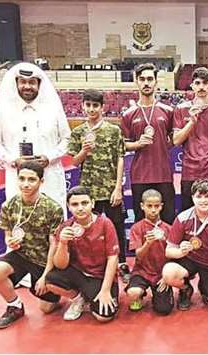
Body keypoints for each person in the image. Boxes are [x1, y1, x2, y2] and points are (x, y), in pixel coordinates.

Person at [0, 62, 71, 211]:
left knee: (54, 224)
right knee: (20, 224)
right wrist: (13, 160)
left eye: (32, 82)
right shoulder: (2, 110)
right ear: (16, 83)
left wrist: (49, 157)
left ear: (39, 84)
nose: (27, 86)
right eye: (23, 82)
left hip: (49, 176)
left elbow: (67, 139)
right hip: (18, 177)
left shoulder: (53, 108)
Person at [0, 161, 64, 329]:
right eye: (21, 179)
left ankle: (56, 289)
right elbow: (8, 233)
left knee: (46, 309)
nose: (26, 184)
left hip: (44, 260)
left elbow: (54, 244)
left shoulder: (53, 208)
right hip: (21, 255)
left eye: (31, 179)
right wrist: (11, 241)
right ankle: (15, 306)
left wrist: (46, 275)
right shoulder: (8, 205)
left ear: (41, 182)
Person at [68, 89, 130, 282]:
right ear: (83, 106)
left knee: (117, 228)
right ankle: (92, 267)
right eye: (88, 105)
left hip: (111, 190)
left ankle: (121, 264)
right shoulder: (78, 132)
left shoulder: (113, 130)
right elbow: (74, 162)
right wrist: (84, 151)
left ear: (103, 107)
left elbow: (120, 158)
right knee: (89, 230)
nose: (91, 109)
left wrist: (118, 187)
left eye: (95, 105)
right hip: (88, 193)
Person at [44, 186, 120, 322]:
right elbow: (60, 265)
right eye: (75, 204)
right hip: (79, 275)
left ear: (93, 203)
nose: (80, 208)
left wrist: (105, 290)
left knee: (104, 317)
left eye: (84, 203)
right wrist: (62, 243)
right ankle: (78, 299)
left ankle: (92, 297)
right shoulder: (65, 227)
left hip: (100, 278)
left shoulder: (105, 224)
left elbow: (113, 258)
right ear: (68, 206)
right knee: (50, 280)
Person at [162, 179, 208, 311]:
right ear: (193, 198)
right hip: (190, 259)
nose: (203, 200)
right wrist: (181, 252)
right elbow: (169, 251)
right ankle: (186, 289)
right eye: (199, 196)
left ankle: (205, 289)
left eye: (207, 196)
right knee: (168, 273)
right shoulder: (182, 218)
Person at [122, 63, 175, 224]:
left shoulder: (168, 111)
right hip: (140, 175)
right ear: (136, 82)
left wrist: (165, 144)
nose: (146, 83)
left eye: (150, 79)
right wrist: (138, 144)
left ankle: (167, 250)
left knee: (167, 219)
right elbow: (123, 145)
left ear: (156, 82)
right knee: (141, 220)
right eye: (142, 79)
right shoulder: (128, 114)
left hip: (163, 173)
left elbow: (175, 138)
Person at [173, 67, 208, 212]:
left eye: (205, 83)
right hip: (189, 172)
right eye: (197, 83)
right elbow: (176, 140)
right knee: (189, 216)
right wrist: (191, 121)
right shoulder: (181, 109)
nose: (201, 87)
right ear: (192, 85)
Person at [125, 189, 174, 315]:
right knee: (133, 293)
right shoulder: (136, 228)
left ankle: (159, 296)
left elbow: (174, 256)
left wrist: (167, 277)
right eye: (149, 206)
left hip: (161, 274)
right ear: (142, 206)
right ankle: (140, 294)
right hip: (142, 272)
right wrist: (148, 243)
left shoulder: (169, 229)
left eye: (156, 206)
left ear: (161, 206)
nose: (153, 210)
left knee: (164, 310)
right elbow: (138, 255)